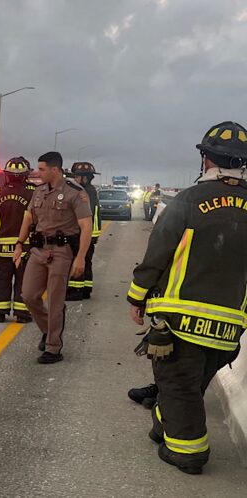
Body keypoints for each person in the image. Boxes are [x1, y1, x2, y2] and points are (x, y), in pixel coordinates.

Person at [127, 121, 247, 474]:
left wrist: (137, 296)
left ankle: (187, 451)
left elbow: (158, 252)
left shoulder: (189, 200)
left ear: (206, 160)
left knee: (178, 383)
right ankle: (163, 423)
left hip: (179, 320)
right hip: (229, 329)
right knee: (190, 384)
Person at [14, 151, 93, 364]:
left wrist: (81, 258)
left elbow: (86, 226)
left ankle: (53, 348)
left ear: (54, 170)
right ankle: (48, 330)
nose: (37, 173)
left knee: (56, 302)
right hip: (39, 250)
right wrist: (20, 243)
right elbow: (29, 217)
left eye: (41, 169)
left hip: (61, 251)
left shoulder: (75, 193)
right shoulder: (38, 191)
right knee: (28, 295)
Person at [0, 157, 35, 324]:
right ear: (25, 176)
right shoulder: (32, 196)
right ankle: (22, 314)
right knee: (23, 280)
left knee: (2, 279)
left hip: (0, 249)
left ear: (7, 176)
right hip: (24, 247)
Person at [66, 162, 101, 300]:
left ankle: (76, 291)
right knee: (87, 261)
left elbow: (87, 215)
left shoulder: (83, 192)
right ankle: (86, 289)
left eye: (77, 176)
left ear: (83, 178)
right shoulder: (91, 191)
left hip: (82, 234)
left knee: (78, 260)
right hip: (90, 234)